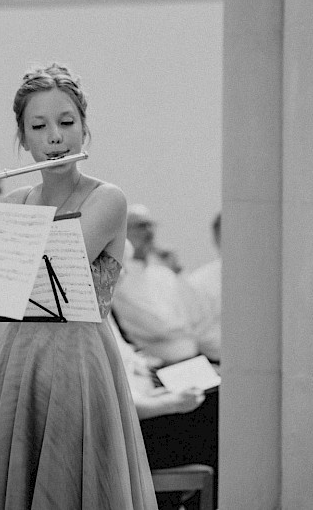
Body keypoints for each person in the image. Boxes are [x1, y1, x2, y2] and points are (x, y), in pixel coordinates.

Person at [0, 63, 157, 509]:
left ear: (84, 128)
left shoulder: (107, 199)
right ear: (23, 138)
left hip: (80, 363)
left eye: (66, 122)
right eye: (39, 126)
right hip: (18, 362)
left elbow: (54, 253)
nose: (55, 137)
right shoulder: (15, 202)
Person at [109, 316, 219, 510]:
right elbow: (113, 405)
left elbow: (130, 376)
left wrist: (162, 394)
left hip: (142, 408)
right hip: (127, 432)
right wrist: (171, 403)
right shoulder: (91, 322)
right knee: (215, 417)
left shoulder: (106, 315)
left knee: (216, 403)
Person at [111, 206, 203, 365]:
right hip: (159, 365)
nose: (149, 232)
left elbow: (197, 316)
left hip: (193, 357)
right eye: (141, 226)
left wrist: (177, 269)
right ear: (123, 232)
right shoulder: (120, 280)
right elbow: (159, 327)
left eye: (150, 225)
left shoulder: (164, 273)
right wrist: (184, 328)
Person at [185, 212, 222, 362]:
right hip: (219, 363)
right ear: (217, 238)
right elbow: (201, 334)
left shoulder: (266, 280)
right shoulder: (199, 282)